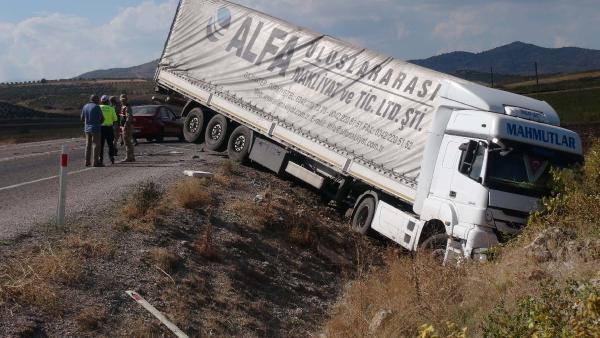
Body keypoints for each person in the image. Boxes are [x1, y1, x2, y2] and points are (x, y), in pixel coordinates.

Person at [80, 95, 104, 167]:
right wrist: (99, 123)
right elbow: (102, 118)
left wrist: (87, 123)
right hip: (95, 128)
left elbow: (82, 118)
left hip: (87, 128)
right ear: (96, 100)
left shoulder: (85, 106)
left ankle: (87, 162)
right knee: (96, 145)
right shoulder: (97, 107)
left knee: (88, 145)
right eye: (98, 99)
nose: (99, 101)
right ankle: (95, 162)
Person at [99, 95, 118, 165]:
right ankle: (111, 157)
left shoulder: (98, 108)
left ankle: (100, 159)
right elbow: (115, 119)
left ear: (101, 101)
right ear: (107, 101)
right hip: (109, 128)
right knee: (110, 144)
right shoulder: (111, 108)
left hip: (101, 128)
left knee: (101, 145)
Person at [120, 94, 136, 162]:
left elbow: (129, 117)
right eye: (122, 100)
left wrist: (126, 125)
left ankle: (129, 157)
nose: (122, 101)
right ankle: (131, 156)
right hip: (125, 126)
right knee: (128, 142)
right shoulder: (124, 106)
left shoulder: (127, 107)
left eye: (124, 100)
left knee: (127, 142)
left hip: (127, 127)